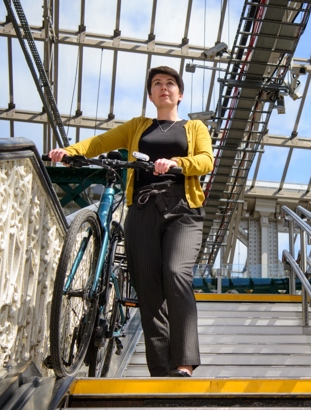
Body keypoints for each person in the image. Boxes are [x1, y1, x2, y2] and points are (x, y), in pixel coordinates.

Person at [48, 66, 213, 377]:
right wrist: (69, 151)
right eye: (157, 84)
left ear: (180, 93)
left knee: (176, 272)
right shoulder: (137, 126)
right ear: (150, 95)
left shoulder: (194, 128)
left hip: (182, 208)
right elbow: (99, 143)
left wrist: (177, 162)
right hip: (142, 208)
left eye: (170, 83)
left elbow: (206, 160)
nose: (164, 88)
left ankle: (184, 361)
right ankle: (161, 370)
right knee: (148, 288)